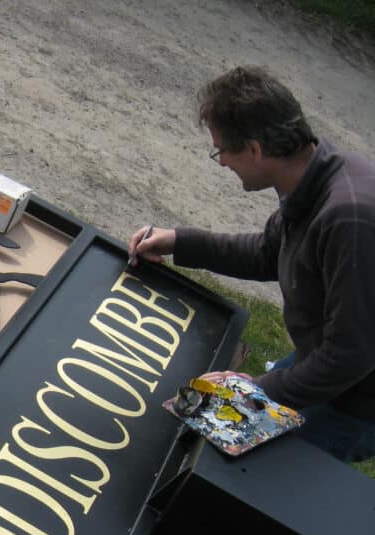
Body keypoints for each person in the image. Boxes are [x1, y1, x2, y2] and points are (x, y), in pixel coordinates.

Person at [128, 65, 375, 463]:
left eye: (222, 150)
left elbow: (351, 355)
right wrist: (179, 241)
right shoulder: (313, 178)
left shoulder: (350, 218)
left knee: (245, 477)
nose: (222, 162)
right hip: (324, 356)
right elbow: (268, 253)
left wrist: (253, 391)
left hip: (352, 401)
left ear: (256, 149)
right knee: (199, 424)